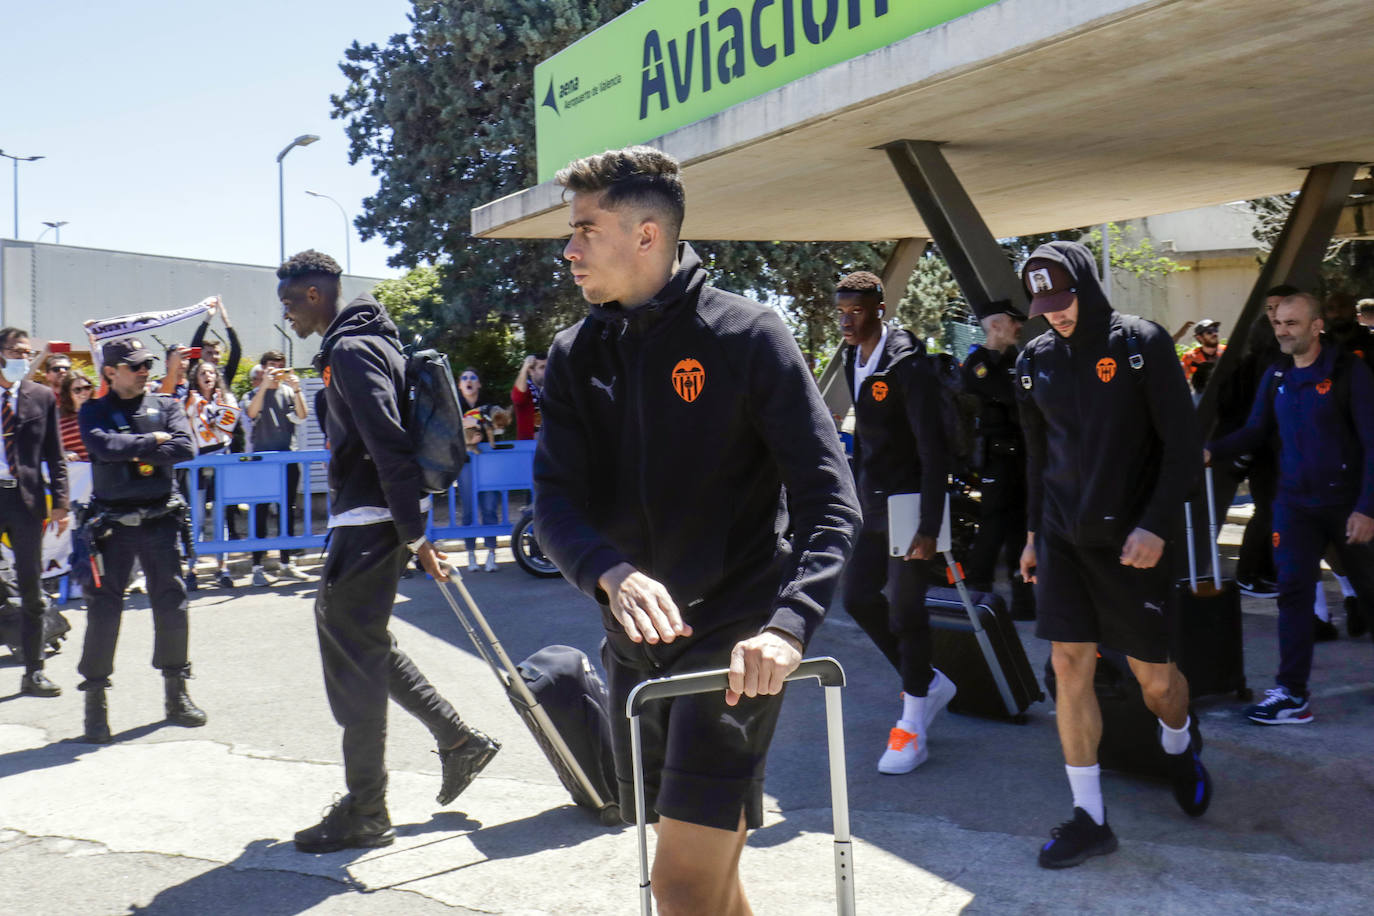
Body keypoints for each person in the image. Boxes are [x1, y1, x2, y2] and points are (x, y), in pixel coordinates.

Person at [534, 147, 859, 914]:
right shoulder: (577, 355)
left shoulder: (748, 335)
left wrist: (789, 626)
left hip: (738, 649)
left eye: (584, 228)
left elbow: (829, 499)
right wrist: (609, 570)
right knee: (710, 884)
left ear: (647, 235)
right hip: (635, 650)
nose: (570, 248)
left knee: (677, 884)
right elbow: (554, 503)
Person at [277, 249, 500, 853]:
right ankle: (459, 742)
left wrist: (415, 535)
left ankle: (367, 808)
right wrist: (413, 534)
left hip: (372, 523)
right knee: (364, 643)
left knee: (352, 659)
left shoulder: (352, 350)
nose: (288, 315)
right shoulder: (368, 343)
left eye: (292, 302)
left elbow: (389, 444)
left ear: (318, 294)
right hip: (375, 521)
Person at [1015, 241, 1211, 869]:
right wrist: (1030, 535)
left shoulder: (1139, 343)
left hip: (1133, 543)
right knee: (1069, 668)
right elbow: (1036, 458)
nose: (1056, 315)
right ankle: (1089, 818)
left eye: (1064, 300)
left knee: (1156, 682)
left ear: (1087, 287)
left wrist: (1155, 525)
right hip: (1063, 538)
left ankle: (1179, 746)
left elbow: (1183, 444)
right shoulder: (1033, 359)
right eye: (1044, 305)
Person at [1206, 292, 1374, 724]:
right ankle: (1291, 694)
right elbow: (1257, 428)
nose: (1282, 330)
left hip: (1346, 505)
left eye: (1292, 323)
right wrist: (1210, 451)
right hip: (1294, 504)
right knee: (1293, 596)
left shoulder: (1347, 370)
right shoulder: (1276, 373)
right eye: (1279, 323)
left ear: (1317, 325)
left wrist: (1367, 508)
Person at [834, 270, 956, 774]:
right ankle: (925, 680)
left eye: (856, 311)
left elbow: (935, 447)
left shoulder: (909, 364)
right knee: (858, 597)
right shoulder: (849, 356)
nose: (846, 319)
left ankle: (912, 727)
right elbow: (863, 439)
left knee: (907, 610)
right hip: (873, 503)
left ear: (878, 310)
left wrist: (931, 524)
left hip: (912, 504)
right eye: (841, 310)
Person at [77, 338, 204, 742]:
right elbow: (102, 445)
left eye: (147, 365)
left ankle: (176, 693)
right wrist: (153, 444)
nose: (144, 371)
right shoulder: (94, 410)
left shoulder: (165, 405)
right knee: (103, 610)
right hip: (112, 525)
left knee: (172, 603)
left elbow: (187, 447)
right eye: (135, 366)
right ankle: (95, 705)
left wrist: (134, 450)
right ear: (110, 372)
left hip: (159, 519)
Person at [0, 328, 69, 696]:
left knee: (31, 588)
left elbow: (55, 455)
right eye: (15, 351)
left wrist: (60, 500)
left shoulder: (40, 396)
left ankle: (33, 670)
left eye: (27, 352)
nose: (22, 358)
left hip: (25, 500)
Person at [962, 299, 1035, 619]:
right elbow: (1011, 396)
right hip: (995, 458)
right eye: (1012, 321)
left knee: (1022, 528)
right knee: (992, 526)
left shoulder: (1017, 360)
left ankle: (1024, 601)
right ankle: (978, 595)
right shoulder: (978, 362)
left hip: (1022, 458)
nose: (1019, 327)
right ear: (995, 326)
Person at [244, 350, 309, 586]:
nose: (276, 370)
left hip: (288, 459)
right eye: (271, 365)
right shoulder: (252, 393)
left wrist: (298, 388)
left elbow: (303, 415)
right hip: (262, 461)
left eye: (280, 365)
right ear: (262, 368)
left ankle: (286, 564)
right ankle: (257, 567)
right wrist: (264, 386)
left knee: (287, 512)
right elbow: (251, 413)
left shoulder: (289, 392)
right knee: (259, 513)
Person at [183, 360, 242, 588]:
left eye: (211, 372)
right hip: (197, 460)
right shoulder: (190, 400)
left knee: (220, 515)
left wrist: (218, 406)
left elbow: (227, 426)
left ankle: (222, 567)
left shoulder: (227, 399)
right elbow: (185, 425)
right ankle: (192, 568)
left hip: (221, 458)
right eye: (202, 373)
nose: (207, 376)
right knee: (196, 517)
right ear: (196, 378)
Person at [457, 367, 501, 571]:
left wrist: (488, 434)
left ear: (479, 384)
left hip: (489, 464)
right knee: (469, 509)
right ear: (459, 385)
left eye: (473, 377)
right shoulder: (454, 407)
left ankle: (492, 555)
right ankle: (471, 555)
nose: (469, 380)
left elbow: (500, 429)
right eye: (464, 378)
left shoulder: (489, 406)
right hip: (466, 464)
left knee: (490, 507)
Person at [190, 298, 243, 387]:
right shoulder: (195, 372)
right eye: (209, 353)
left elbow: (236, 351)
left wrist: (226, 321)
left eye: (217, 353)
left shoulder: (225, 374)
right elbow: (194, 347)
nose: (214, 356)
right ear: (201, 354)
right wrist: (208, 318)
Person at [59, 371, 95, 463]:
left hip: (103, 470)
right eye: (77, 390)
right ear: (68, 393)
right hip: (77, 472)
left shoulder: (102, 411)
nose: (84, 392)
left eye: (87, 388)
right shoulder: (59, 419)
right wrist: (63, 453)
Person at [510, 352, 546, 440]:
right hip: (530, 448)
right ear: (531, 371)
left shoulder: (554, 390)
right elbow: (517, 396)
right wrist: (524, 368)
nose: (547, 371)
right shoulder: (527, 389)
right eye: (542, 367)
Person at [1179, 318, 1225, 384]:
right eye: (1209, 332)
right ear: (1199, 337)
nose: (1214, 334)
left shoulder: (1227, 351)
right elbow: (1183, 383)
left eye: (1216, 329)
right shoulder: (1189, 358)